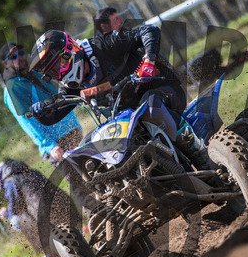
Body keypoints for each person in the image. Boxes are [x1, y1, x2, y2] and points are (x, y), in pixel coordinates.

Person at [27, 28, 210, 169]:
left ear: (70, 49)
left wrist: (149, 61)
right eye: (53, 72)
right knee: (85, 147)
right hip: (128, 117)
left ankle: (200, 156)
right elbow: (53, 116)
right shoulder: (70, 87)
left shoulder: (103, 45)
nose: (59, 73)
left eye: (59, 64)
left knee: (150, 106)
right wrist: (40, 112)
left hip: (164, 90)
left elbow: (149, 30)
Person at [0, 42, 82, 165]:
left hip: (72, 130)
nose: (19, 57)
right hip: (57, 144)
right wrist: (50, 146)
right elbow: (26, 121)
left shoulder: (36, 73)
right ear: (5, 63)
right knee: (78, 177)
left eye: (20, 53)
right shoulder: (13, 88)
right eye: (13, 56)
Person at [0, 159, 79, 253]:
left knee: (14, 221)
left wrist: (5, 213)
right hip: (65, 205)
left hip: (45, 216)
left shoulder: (9, 182)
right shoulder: (30, 171)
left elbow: (16, 209)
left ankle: (49, 245)